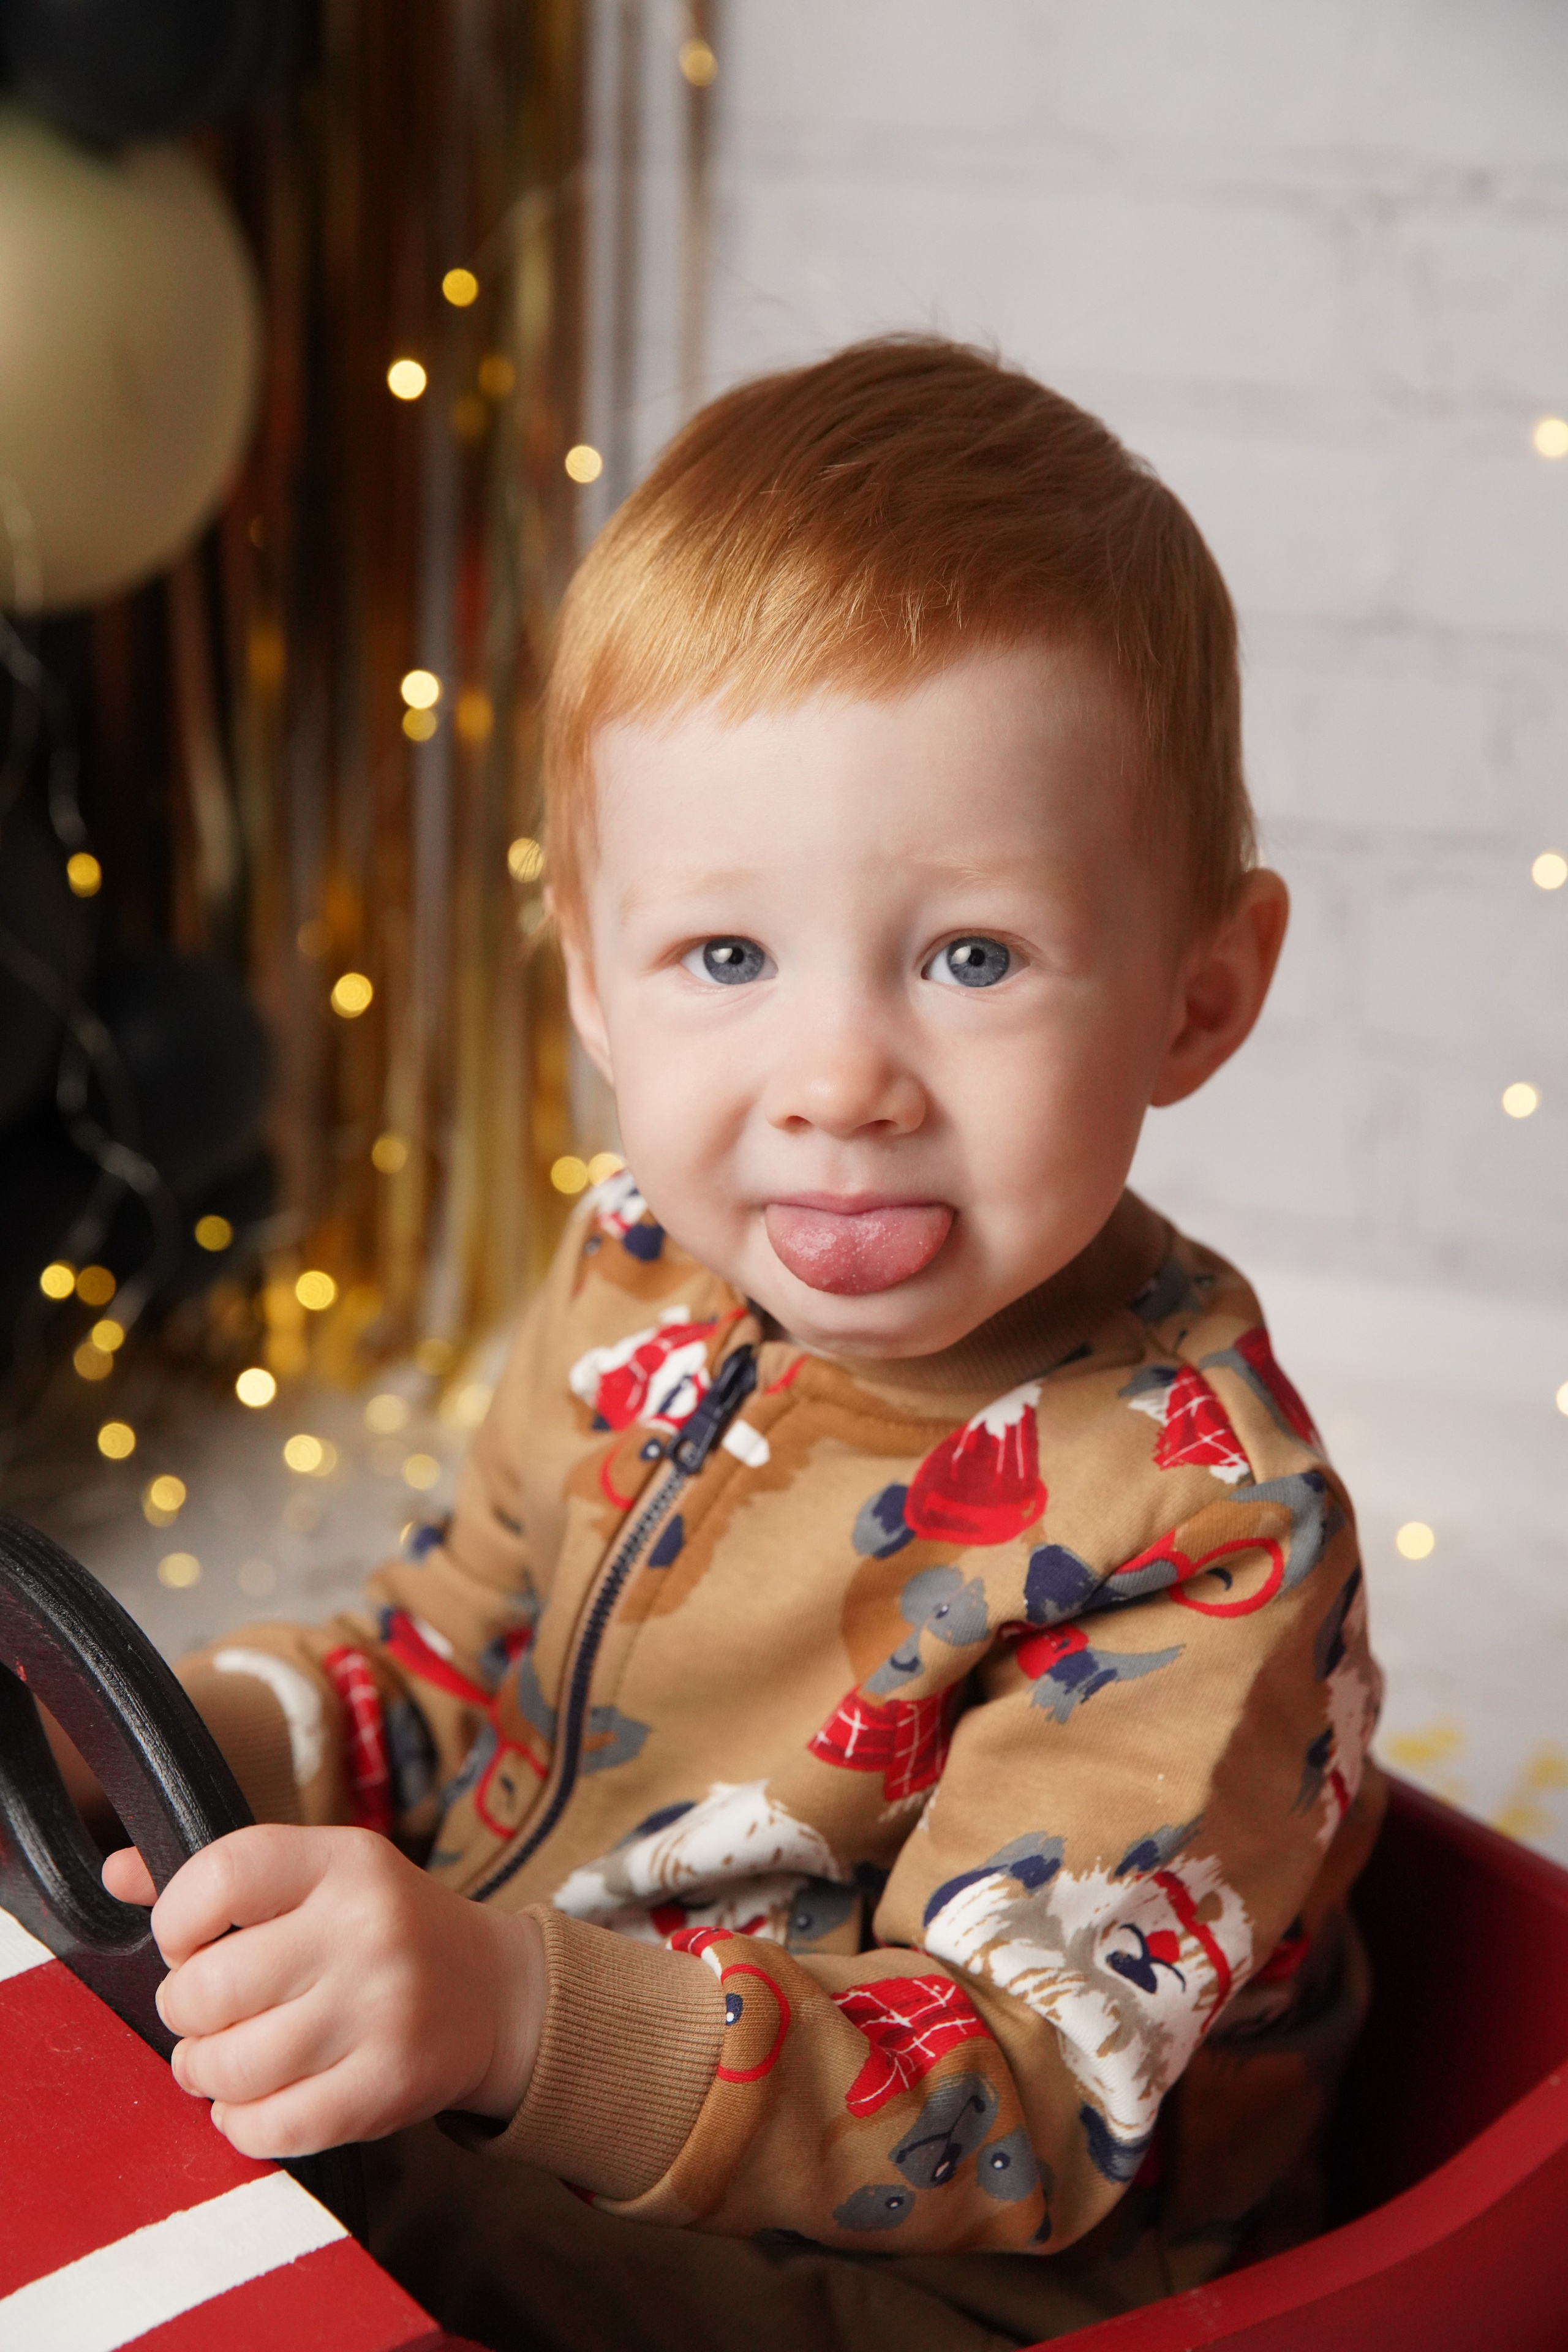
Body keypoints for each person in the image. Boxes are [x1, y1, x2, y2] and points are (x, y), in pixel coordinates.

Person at [101, 338, 1384, 2350]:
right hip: (501, 2081)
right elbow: (448, 1664)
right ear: (595, 985)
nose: (838, 1080)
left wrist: (510, 2012)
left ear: (1196, 995)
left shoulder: (1198, 1525)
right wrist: (169, 1748)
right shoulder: (637, 1268)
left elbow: (1019, 2101)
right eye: (727, 953)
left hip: (901, 2283)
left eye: (973, 956)